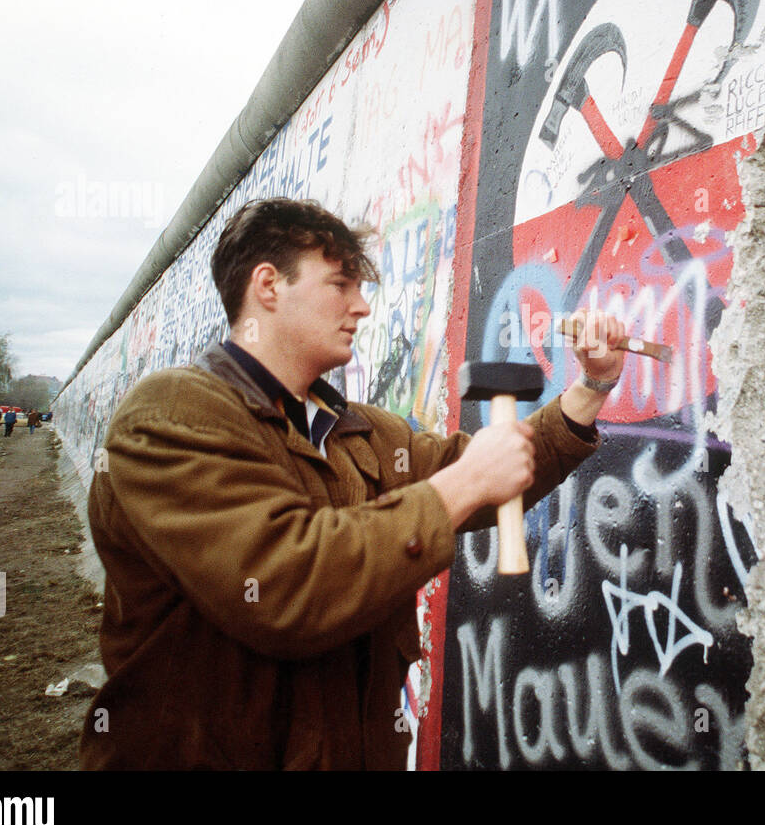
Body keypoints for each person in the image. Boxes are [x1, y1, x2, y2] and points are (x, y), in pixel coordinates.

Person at [80, 197, 626, 770]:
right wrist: (462, 484)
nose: (362, 307)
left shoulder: (361, 432)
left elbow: (495, 472)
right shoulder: (171, 418)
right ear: (268, 286)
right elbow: (280, 582)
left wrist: (589, 388)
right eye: (341, 284)